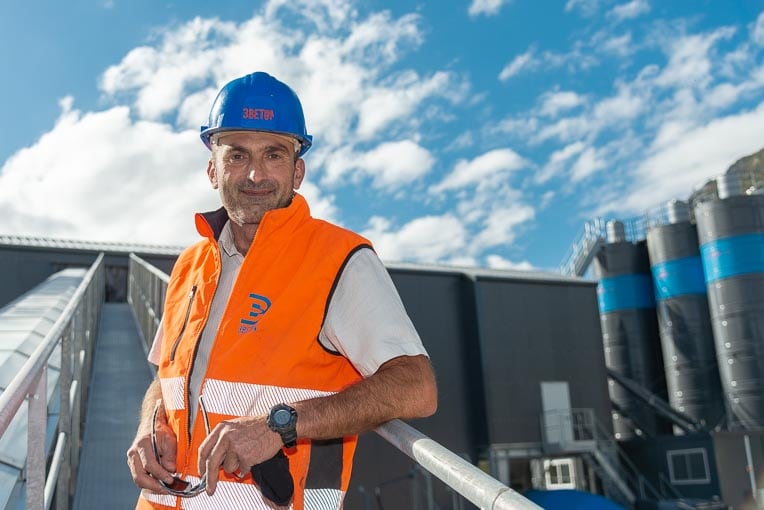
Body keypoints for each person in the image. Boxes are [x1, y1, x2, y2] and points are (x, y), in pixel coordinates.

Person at [126, 71, 438, 509]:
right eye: (237, 155)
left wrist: (279, 426)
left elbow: (416, 387)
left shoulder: (341, 260)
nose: (255, 173)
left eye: (273, 154)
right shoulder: (189, 266)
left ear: (298, 170)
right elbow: (165, 381)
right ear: (213, 169)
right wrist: (149, 425)